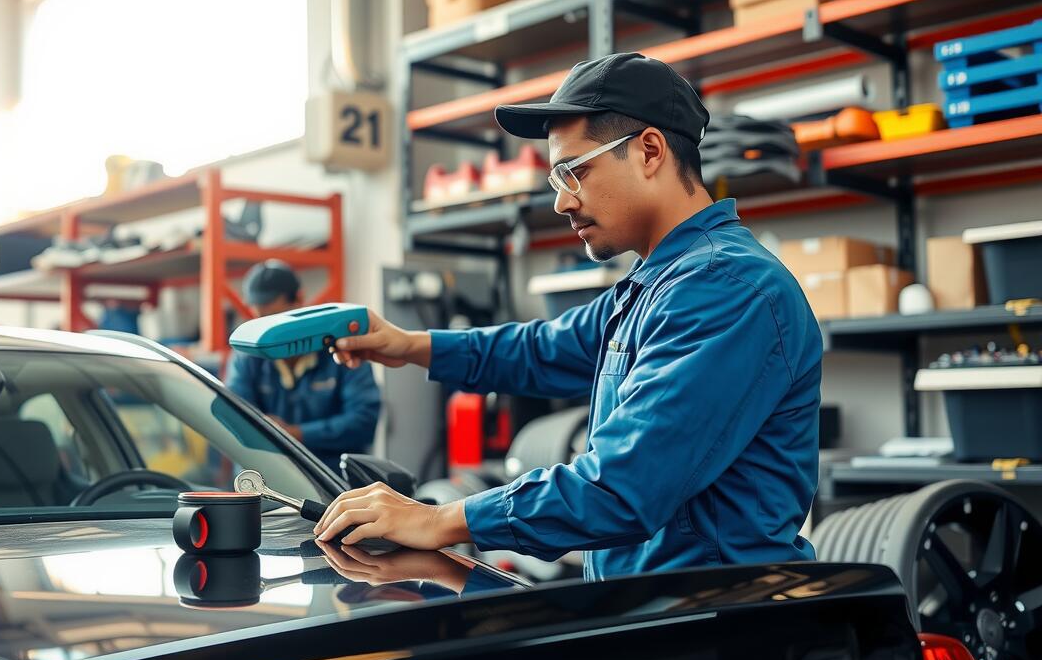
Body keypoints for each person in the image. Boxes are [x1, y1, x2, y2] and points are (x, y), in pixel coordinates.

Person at [314, 52, 823, 581]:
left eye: (573, 172)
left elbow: (622, 488)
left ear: (649, 151)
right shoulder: (657, 283)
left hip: (718, 623)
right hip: (652, 616)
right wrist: (408, 345)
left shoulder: (723, 288)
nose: (561, 203)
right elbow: (541, 348)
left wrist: (439, 520)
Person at [225, 260, 381, 472]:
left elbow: (363, 421)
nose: (270, 331)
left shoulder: (343, 348)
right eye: (260, 318)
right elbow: (235, 418)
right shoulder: (247, 355)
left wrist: (295, 433)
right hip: (265, 479)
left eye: (276, 319)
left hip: (333, 481)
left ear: (299, 299)